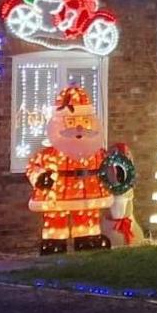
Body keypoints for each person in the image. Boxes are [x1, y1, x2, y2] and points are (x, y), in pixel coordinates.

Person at [26, 85, 116, 254]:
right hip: (57, 195)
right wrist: (39, 177)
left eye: (84, 121)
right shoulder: (50, 154)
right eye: (72, 122)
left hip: (88, 194)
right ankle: (55, 242)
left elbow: (110, 163)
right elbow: (33, 166)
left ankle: (87, 240)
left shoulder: (96, 153)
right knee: (55, 219)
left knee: (87, 218)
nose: (79, 128)